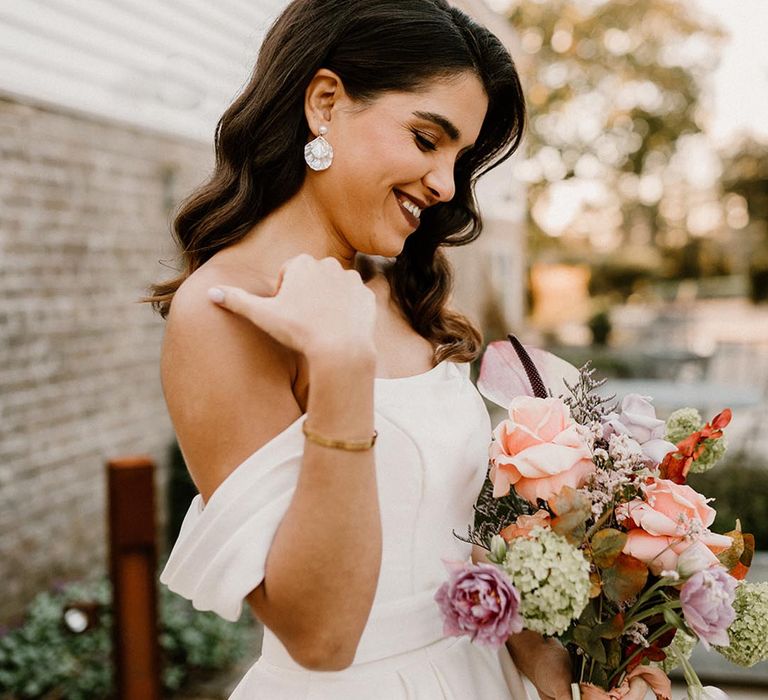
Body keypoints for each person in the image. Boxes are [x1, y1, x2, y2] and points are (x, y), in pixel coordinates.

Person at [144, 1, 648, 698]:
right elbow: (321, 636)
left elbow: (453, 532)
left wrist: (551, 659)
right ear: (325, 102)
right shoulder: (225, 311)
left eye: (458, 157)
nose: (445, 184)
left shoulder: (394, 289)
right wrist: (343, 367)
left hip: (480, 673)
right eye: (426, 138)